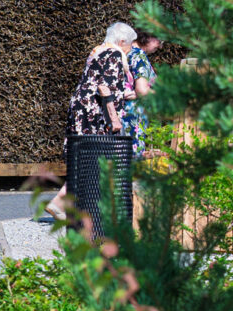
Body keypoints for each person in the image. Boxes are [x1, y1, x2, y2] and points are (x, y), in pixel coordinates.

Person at [46, 22, 135, 219]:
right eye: (130, 44)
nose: (131, 49)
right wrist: (114, 118)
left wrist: (127, 94)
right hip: (95, 112)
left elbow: (96, 82)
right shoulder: (115, 54)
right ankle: (63, 203)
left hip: (81, 107)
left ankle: (66, 204)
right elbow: (105, 88)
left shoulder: (98, 51)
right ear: (122, 42)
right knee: (95, 156)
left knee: (84, 156)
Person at [122, 34, 161, 162]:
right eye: (159, 40)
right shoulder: (139, 56)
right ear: (148, 36)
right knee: (130, 161)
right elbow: (142, 90)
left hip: (121, 113)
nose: (160, 46)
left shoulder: (126, 52)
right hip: (133, 117)